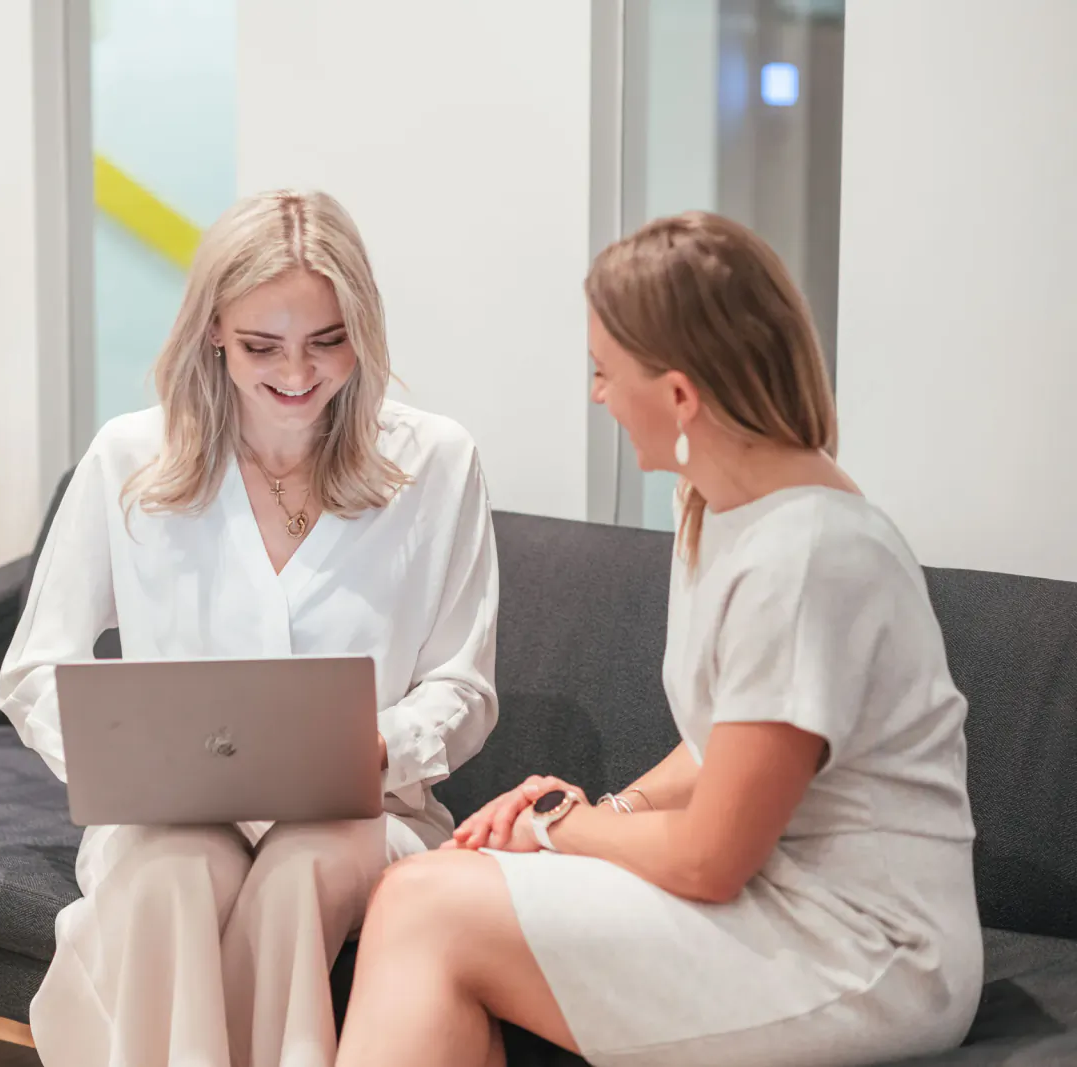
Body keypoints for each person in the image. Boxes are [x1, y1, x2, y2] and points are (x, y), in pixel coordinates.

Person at [334, 212, 982, 1067]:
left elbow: (713, 858)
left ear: (680, 395)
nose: (595, 394)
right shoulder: (714, 504)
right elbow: (730, 742)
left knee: (427, 906)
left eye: (604, 371)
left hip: (866, 950)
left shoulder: (810, 557)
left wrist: (562, 828)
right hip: (780, 900)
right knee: (418, 889)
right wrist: (610, 813)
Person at [0, 189, 499, 1067]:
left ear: (363, 331)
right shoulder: (130, 460)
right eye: (263, 345)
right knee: (166, 879)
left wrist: (382, 746)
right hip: (168, 817)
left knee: (298, 873)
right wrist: (119, 760)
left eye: (327, 341)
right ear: (213, 332)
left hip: (361, 810)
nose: (297, 374)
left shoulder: (435, 463)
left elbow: (464, 684)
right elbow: (36, 668)